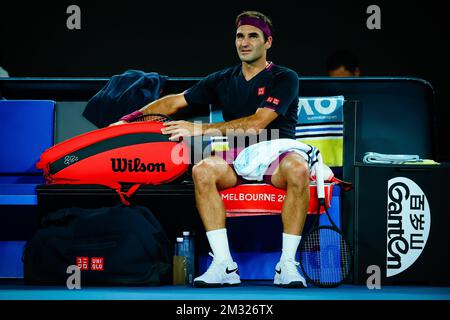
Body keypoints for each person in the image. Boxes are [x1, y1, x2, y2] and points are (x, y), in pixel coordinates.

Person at [110, 11, 309, 288]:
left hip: (277, 159)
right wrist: (127, 120)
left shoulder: (285, 77)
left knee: (299, 169)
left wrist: (198, 129)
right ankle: (224, 266)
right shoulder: (222, 79)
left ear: (268, 42)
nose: (245, 42)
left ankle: (286, 265)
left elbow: (257, 124)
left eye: (253, 36)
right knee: (202, 169)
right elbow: (174, 103)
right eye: (240, 36)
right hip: (239, 159)